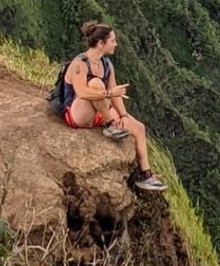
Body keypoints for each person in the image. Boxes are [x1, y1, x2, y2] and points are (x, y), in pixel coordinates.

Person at [62, 21, 167, 192]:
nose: (116, 44)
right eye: (113, 40)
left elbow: (114, 92)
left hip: (99, 110)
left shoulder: (106, 65)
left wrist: (124, 115)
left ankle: (146, 175)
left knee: (139, 128)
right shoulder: (79, 64)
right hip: (78, 113)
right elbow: (82, 93)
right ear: (101, 43)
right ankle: (110, 125)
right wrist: (109, 95)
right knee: (95, 83)